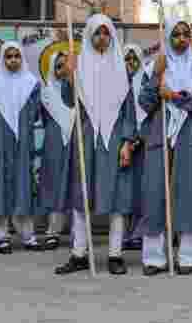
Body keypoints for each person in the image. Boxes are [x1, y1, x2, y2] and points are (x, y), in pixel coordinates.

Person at [54, 15, 137, 276]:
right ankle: (79, 253)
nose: (102, 37)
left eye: (106, 32)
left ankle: (115, 255)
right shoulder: (79, 66)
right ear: (89, 36)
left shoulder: (121, 69)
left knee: (116, 196)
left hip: (113, 139)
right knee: (82, 195)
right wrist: (68, 76)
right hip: (86, 135)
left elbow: (128, 111)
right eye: (97, 33)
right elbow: (69, 101)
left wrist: (126, 142)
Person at [139, 17, 192, 275]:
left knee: (189, 193)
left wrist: (173, 96)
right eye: (176, 35)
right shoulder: (154, 67)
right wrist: (157, 75)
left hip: (190, 137)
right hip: (160, 137)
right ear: (168, 38)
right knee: (155, 194)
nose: (181, 39)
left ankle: (188, 256)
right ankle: (154, 258)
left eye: (185, 34)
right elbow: (145, 103)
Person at [0, 42, 43, 252]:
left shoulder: (32, 84)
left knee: (22, 187)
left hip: (22, 143)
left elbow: (35, 114)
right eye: (8, 56)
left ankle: (27, 235)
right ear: (2, 59)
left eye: (17, 56)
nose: (13, 60)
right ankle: (1, 236)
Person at [38, 47, 73, 252]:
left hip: (74, 139)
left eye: (65, 66)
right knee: (54, 184)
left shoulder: (78, 87)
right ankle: (53, 232)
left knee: (75, 183)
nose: (61, 70)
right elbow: (44, 118)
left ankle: (79, 232)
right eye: (58, 67)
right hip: (54, 140)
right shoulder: (47, 90)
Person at [122, 44, 147, 252]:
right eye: (126, 60)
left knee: (140, 190)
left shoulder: (144, 81)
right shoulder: (117, 82)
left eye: (134, 60)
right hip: (122, 143)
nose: (130, 64)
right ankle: (125, 234)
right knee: (124, 191)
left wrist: (138, 137)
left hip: (142, 143)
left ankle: (138, 233)